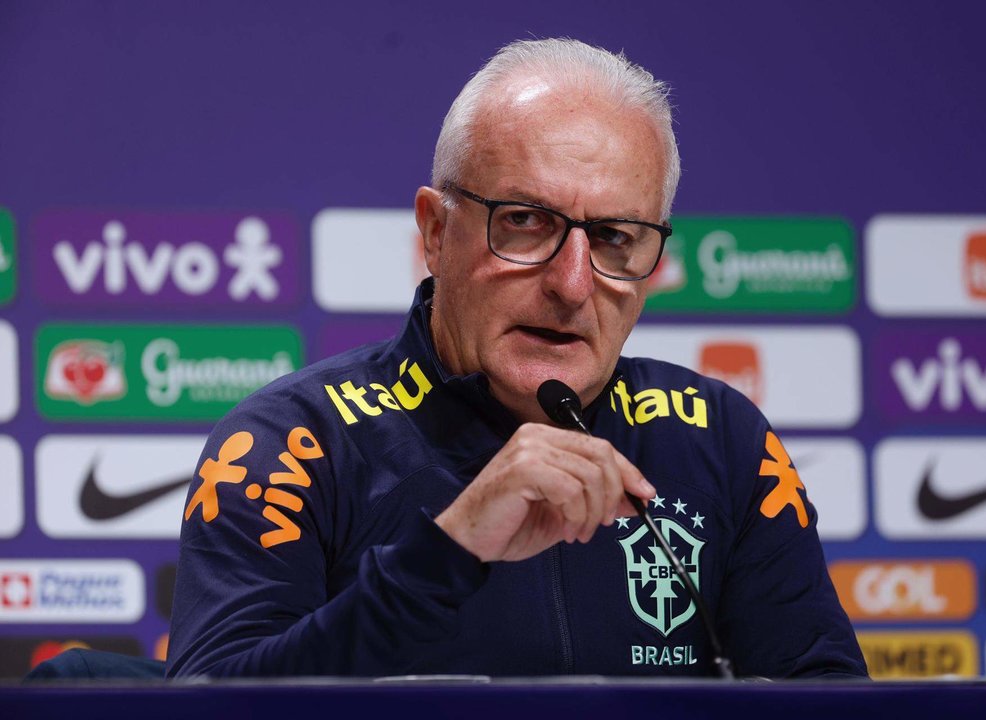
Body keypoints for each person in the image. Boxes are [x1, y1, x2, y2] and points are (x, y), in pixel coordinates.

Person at [165, 38, 867, 679]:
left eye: (616, 237)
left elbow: (828, 699)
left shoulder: (720, 440)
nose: (572, 284)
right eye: (527, 223)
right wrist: (449, 552)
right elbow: (207, 705)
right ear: (436, 233)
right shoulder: (293, 443)